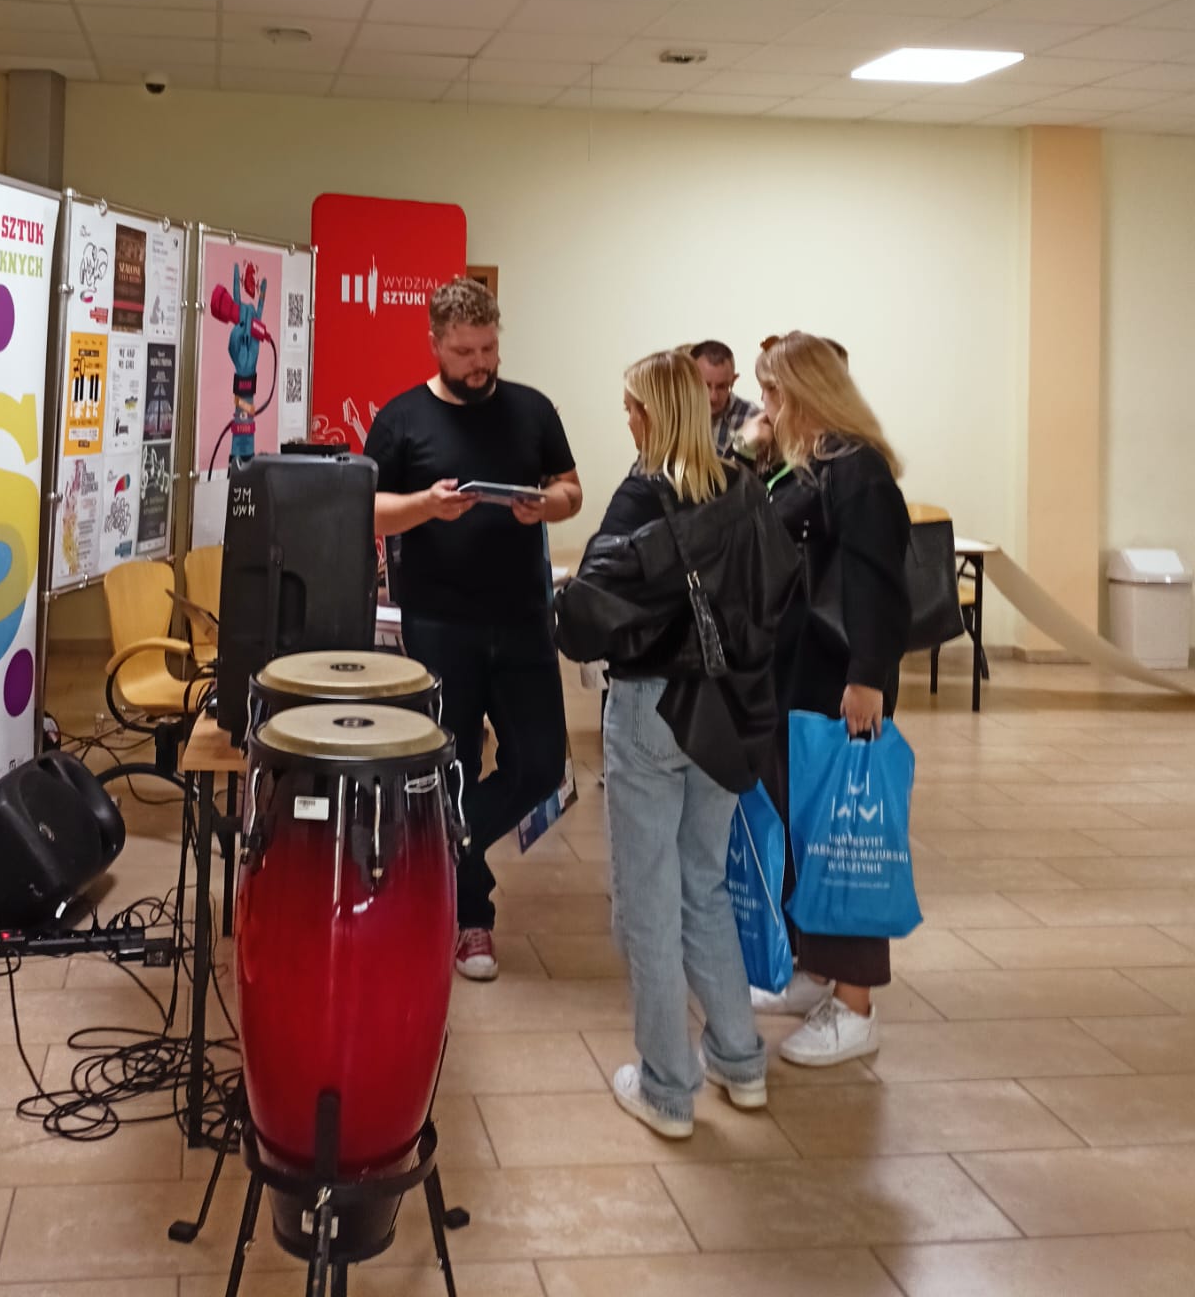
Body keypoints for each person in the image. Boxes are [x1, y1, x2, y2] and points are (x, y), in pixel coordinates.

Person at [556, 349, 797, 1138]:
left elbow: (588, 613)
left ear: (651, 414)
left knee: (648, 904)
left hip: (652, 709)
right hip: (724, 715)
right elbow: (773, 595)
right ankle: (740, 1060)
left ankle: (666, 1087)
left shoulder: (641, 494)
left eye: (631, 407)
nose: (626, 418)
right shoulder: (742, 488)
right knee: (706, 885)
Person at [363, 278, 582, 981]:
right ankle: (471, 919)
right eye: (465, 352)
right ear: (435, 343)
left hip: (523, 619)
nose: (480, 363)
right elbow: (367, 509)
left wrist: (546, 505)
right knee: (449, 767)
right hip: (439, 624)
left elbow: (572, 490)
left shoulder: (532, 409)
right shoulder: (401, 419)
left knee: (540, 764)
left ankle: (430, 851)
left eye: (488, 348)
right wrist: (426, 506)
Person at [752, 331, 912, 1067]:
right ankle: (816, 970)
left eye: (772, 391)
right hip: (797, 678)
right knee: (803, 836)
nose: (764, 405)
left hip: (840, 685)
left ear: (804, 393)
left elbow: (878, 585)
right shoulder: (810, 465)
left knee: (844, 840)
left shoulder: (859, 472)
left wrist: (868, 677)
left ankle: (855, 1005)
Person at [689, 341, 761, 456]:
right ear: (688, 379)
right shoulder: (675, 414)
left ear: (733, 380)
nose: (713, 397)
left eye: (722, 387)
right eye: (705, 386)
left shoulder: (750, 417)